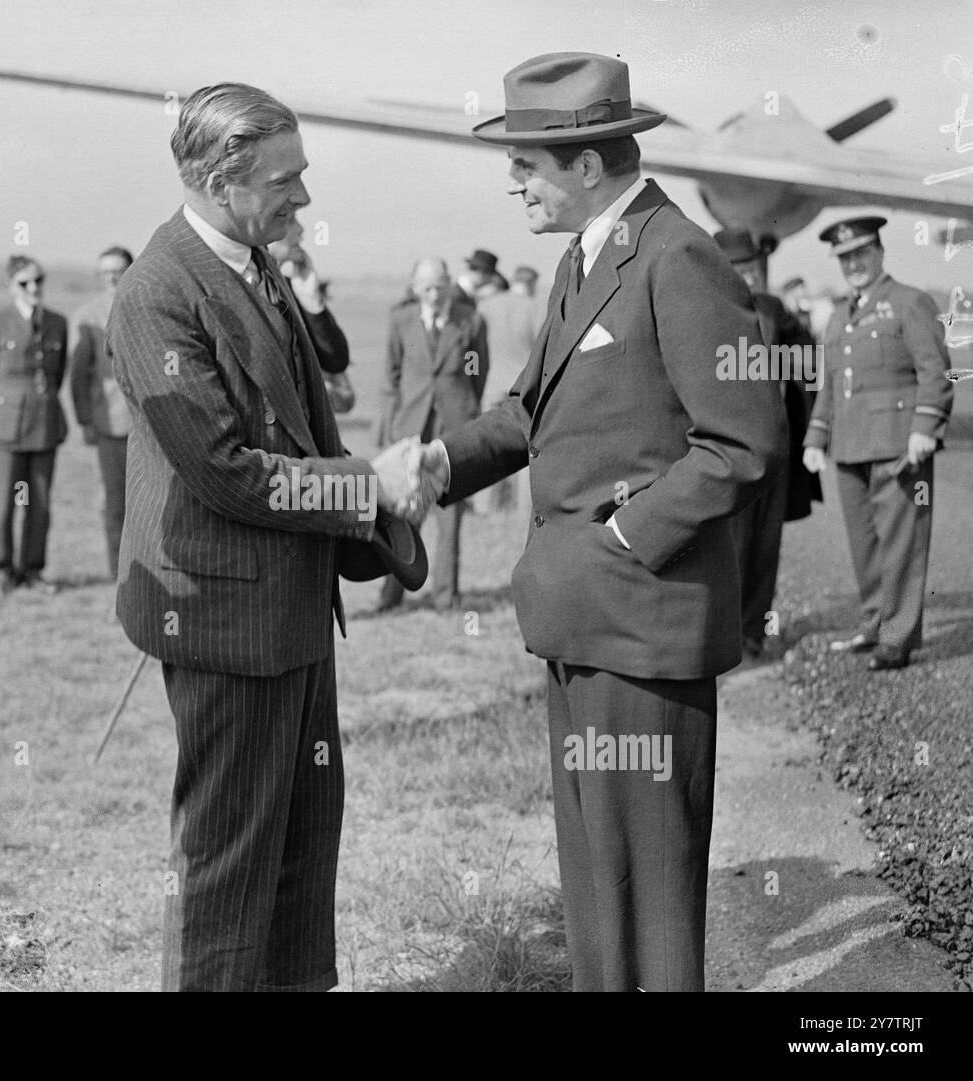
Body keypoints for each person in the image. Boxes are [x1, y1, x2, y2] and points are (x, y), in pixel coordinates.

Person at [401, 52, 786, 991]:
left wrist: (627, 536)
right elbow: (533, 412)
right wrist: (440, 462)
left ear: (585, 165)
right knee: (595, 882)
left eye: (528, 161)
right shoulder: (588, 260)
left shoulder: (676, 253)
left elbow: (743, 439)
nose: (514, 180)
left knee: (647, 892)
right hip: (584, 618)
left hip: (642, 624)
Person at [107, 82, 409, 991]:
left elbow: (298, 425)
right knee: (226, 870)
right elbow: (230, 471)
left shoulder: (251, 256)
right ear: (216, 177)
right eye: (287, 181)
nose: (303, 200)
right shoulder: (156, 295)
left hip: (289, 610)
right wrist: (369, 484)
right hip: (224, 622)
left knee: (304, 843)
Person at [802, 216, 954, 670]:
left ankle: (899, 634)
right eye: (845, 257)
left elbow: (935, 371)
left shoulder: (909, 303)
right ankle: (874, 621)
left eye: (861, 254)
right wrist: (817, 437)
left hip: (897, 447)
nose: (854, 264)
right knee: (864, 545)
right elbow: (828, 384)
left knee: (902, 544)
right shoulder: (838, 317)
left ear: (880, 253)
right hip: (848, 449)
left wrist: (924, 429)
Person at [713, 228, 819, 659]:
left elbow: (807, 358)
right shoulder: (700, 307)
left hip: (772, 448)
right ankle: (720, 637)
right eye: (738, 270)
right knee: (725, 544)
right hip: (722, 448)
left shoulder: (774, 310)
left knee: (764, 541)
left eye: (753, 269)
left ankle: (752, 633)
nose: (747, 278)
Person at [376, 257, 488, 611]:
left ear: (450, 284)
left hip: (452, 435)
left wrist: (465, 414)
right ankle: (390, 597)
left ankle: (446, 599)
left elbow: (477, 373)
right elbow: (390, 377)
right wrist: (392, 430)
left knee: (449, 521)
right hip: (410, 435)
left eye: (440, 286)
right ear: (414, 288)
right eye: (427, 287)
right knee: (403, 518)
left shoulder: (470, 321)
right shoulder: (401, 321)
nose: (435, 294)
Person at [0, 255, 69, 593]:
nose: (34, 288)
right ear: (11, 287)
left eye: (38, 280)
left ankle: (32, 571)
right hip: (4, 431)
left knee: (39, 505)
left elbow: (57, 374)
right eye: (24, 282)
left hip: (44, 426)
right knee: (2, 504)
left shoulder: (57, 322)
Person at [69, 246, 133, 582]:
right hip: (111, 423)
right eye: (105, 272)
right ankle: (120, 574)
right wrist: (85, 421)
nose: (112, 277)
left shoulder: (148, 305)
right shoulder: (87, 316)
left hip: (154, 426)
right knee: (116, 503)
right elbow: (78, 376)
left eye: (118, 270)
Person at [266, 213, 353, 412]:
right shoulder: (239, 291)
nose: (301, 231)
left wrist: (312, 302)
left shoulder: (294, 290)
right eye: (289, 221)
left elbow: (336, 360)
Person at [477, 265, 545, 512]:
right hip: (523, 385)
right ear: (532, 283)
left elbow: (474, 343)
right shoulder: (535, 307)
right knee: (526, 448)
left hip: (491, 382)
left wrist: (472, 373)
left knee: (487, 443)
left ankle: (485, 505)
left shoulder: (489, 305)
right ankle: (522, 509)